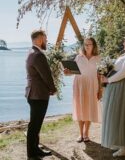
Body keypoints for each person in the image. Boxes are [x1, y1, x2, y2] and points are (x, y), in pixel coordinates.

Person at [25, 30, 57, 160]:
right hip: (38, 94)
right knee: (35, 124)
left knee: (35, 123)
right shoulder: (38, 55)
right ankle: (32, 153)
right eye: (45, 38)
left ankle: (35, 148)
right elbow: (46, 75)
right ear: (39, 39)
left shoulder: (31, 52)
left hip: (32, 93)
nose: (47, 41)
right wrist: (53, 89)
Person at [64, 37, 102, 142]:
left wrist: (100, 90)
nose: (87, 46)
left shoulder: (98, 58)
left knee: (88, 108)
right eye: (85, 44)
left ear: (93, 45)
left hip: (92, 85)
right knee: (80, 108)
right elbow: (73, 72)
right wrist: (67, 73)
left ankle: (86, 133)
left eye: (89, 44)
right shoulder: (78, 57)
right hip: (79, 85)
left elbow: (100, 76)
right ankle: (80, 134)